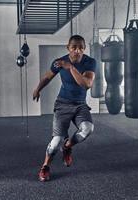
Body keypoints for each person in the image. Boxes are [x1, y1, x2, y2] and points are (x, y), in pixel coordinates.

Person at [32, 35, 96, 182]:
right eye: (74, 47)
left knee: (88, 129)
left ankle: (67, 147)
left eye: (81, 47)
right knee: (56, 141)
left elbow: (86, 84)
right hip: (63, 104)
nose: (77, 51)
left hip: (80, 104)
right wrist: (38, 89)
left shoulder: (90, 62)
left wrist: (71, 67)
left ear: (84, 48)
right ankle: (45, 166)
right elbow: (47, 77)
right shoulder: (59, 63)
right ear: (68, 48)